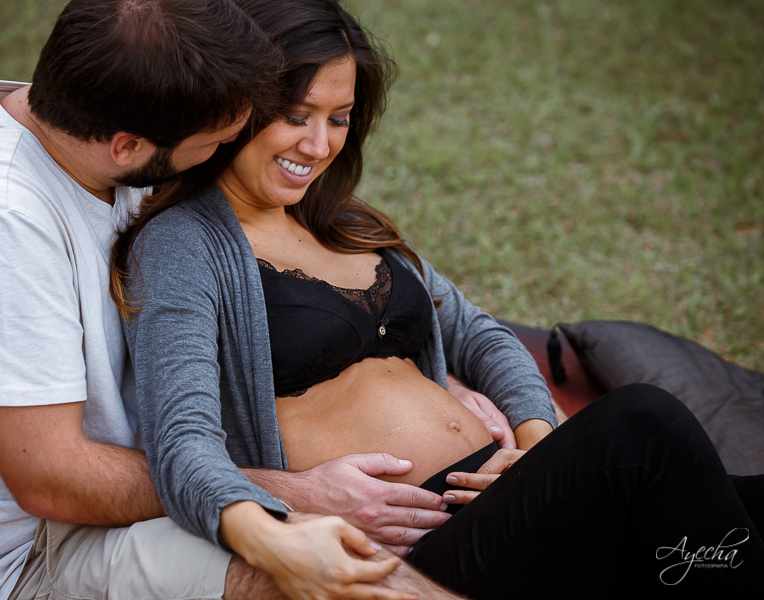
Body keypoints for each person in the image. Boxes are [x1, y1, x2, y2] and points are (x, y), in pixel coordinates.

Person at [113, 0, 764, 597]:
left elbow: (480, 336)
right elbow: (182, 444)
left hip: (507, 503)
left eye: (338, 118)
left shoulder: (343, 221)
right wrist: (281, 536)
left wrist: (538, 442)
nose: (318, 145)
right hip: (415, 553)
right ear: (235, 104)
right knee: (642, 427)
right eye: (296, 116)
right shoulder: (183, 243)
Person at [0, 1, 465, 599]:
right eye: (214, 142)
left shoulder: (108, 101)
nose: (227, 152)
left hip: (160, 460)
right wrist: (293, 493)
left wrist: (431, 379)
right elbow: (53, 481)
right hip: (46, 547)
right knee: (346, 576)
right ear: (128, 148)